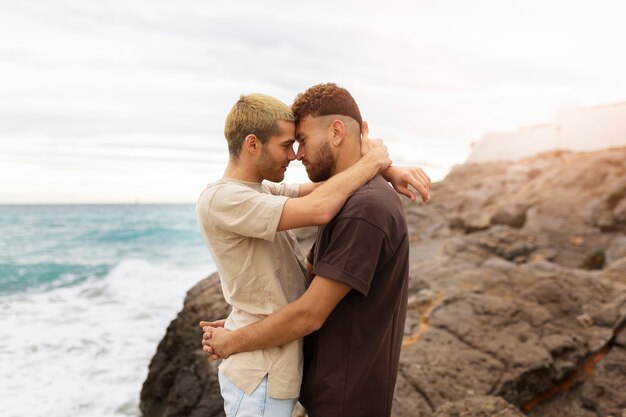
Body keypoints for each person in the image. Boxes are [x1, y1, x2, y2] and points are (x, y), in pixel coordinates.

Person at [202, 83, 421, 417]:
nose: (295, 155)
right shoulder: (226, 198)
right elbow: (320, 204)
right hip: (262, 377)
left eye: (299, 142)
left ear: (336, 132)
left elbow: (321, 194)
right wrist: (375, 161)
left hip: (285, 377)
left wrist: (385, 167)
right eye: (288, 144)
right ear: (251, 144)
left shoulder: (268, 191)